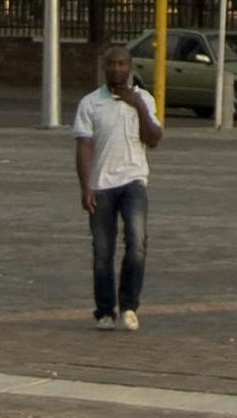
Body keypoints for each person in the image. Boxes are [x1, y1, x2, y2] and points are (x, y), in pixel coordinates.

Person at [70, 41, 163, 332]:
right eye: (112, 64)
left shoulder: (144, 99)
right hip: (101, 185)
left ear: (130, 67)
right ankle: (105, 311)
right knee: (102, 251)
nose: (117, 69)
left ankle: (129, 306)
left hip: (134, 181)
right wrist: (86, 187)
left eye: (122, 64)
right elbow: (84, 146)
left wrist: (138, 107)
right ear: (104, 67)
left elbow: (154, 139)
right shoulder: (90, 103)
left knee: (137, 242)